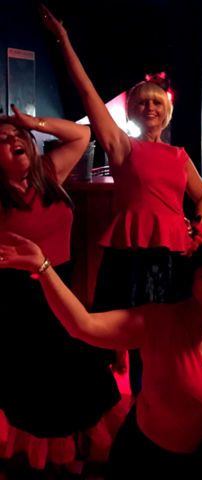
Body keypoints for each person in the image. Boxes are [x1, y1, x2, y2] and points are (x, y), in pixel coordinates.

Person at [41, 5, 202, 394]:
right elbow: (87, 92)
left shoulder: (179, 154)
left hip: (172, 252)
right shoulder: (122, 146)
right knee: (133, 331)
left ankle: (169, 394)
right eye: (141, 103)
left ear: (166, 112)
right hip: (132, 252)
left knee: (172, 328)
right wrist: (64, 39)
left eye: (156, 103)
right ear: (132, 112)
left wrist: (198, 227)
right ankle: (138, 399)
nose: (149, 107)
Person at [0, 233, 202, 479]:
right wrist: (43, 267)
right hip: (145, 463)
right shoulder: (158, 322)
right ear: (193, 278)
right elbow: (83, 326)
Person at [0, 108, 121, 473]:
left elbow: (82, 136)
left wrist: (32, 123)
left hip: (63, 290)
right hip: (23, 302)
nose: (14, 140)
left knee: (83, 386)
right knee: (41, 395)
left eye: (18, 136)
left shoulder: (47, 173)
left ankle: (75, 462)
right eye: (3, 140)